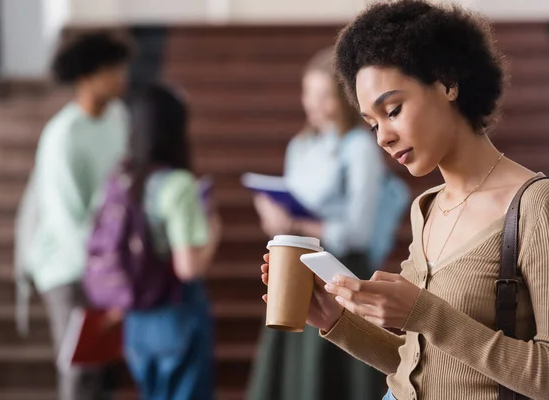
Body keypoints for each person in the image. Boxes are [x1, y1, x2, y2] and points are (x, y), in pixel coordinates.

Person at [260, 1, 549, 399]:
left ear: (448, 82)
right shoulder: (426, 208)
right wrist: (337, 320)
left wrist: (426, 313)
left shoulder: (536, 206)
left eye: (393, 110)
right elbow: (422, 363)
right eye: (372, 123)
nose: (383, 137)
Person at [247, 47, 388, 400]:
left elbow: (358, 230)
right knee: (292, 377)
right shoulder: (301, 145)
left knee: (330, 378)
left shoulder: (359, 148)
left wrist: (296, 221)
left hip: (338, 270)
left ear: (343, 98)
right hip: (294, 267)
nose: (313, 104)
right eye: (308, 93)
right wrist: (277, 219)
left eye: (324, 94)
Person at [24, 31, 133, 400]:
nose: (122, 76)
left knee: (103, 368)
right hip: (68, 268)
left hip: (104, 259)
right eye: (112, 69)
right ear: (86, 76)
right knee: (78, 368)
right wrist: (109, 275)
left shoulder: (119, 116)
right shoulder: (63, 135)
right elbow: (68, 219)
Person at [122, 83, 221, 400]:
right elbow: (188, 267)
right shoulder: (177, 184)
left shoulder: (122, 180)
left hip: (136, 320)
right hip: (176, 314)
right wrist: (214, 230)